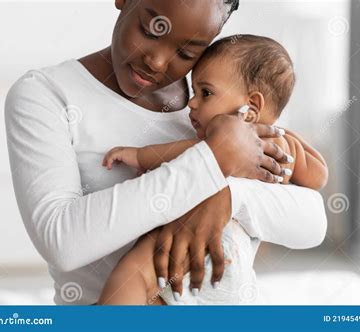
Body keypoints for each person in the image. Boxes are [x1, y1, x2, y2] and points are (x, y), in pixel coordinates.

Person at [4, 0, 327, 305]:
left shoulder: (218, 103)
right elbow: (62, 242)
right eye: (150, 30)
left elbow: (312, 224)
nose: (157, 62)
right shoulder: (46, 94)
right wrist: (211, 163)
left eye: (187, 53)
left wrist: (228, 195)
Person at [98, 35, 328, 305]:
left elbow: (186, 152)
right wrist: (294, 146)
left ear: (250, 108)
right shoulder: (280, 146)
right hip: (225, 270)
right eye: (194, 92)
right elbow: (318, 176)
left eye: (205, 92)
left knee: (131, 276)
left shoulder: (226, 138)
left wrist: (140, 156)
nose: (192, 103)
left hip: (193, 257)